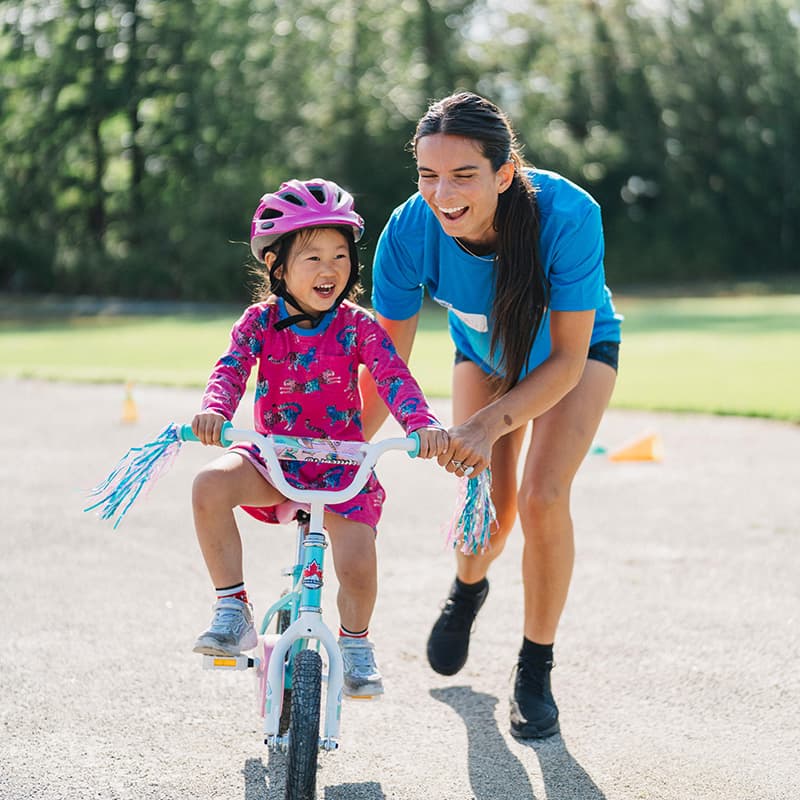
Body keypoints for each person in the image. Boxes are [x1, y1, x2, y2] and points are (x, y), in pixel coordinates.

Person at [360, 92, 622, 736]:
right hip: (482, 355)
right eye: (428, 175)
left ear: (503, 174)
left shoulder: (569, 214)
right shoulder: (408, 230)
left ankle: (535, 666)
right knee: (489, 513)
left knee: (541, 496)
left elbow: (565, 358)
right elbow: (384, 364)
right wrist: (333, 451)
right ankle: (468, 587)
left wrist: (485, 424)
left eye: (463, 175)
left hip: (575, 358)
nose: (442, 192)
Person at [190, 178, 449, 698]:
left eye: (340, 255)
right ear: (276, 266)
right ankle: (232, 606)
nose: (330, 268)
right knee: (209, 486)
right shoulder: (260, 322)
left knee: (355, 561)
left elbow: (392, 376)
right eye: (312, 258)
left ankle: (355, 643)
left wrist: (420, 424)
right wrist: (215, 410)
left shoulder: (358, 327)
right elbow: (231, 368)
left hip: (342, 466)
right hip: (273, 460)